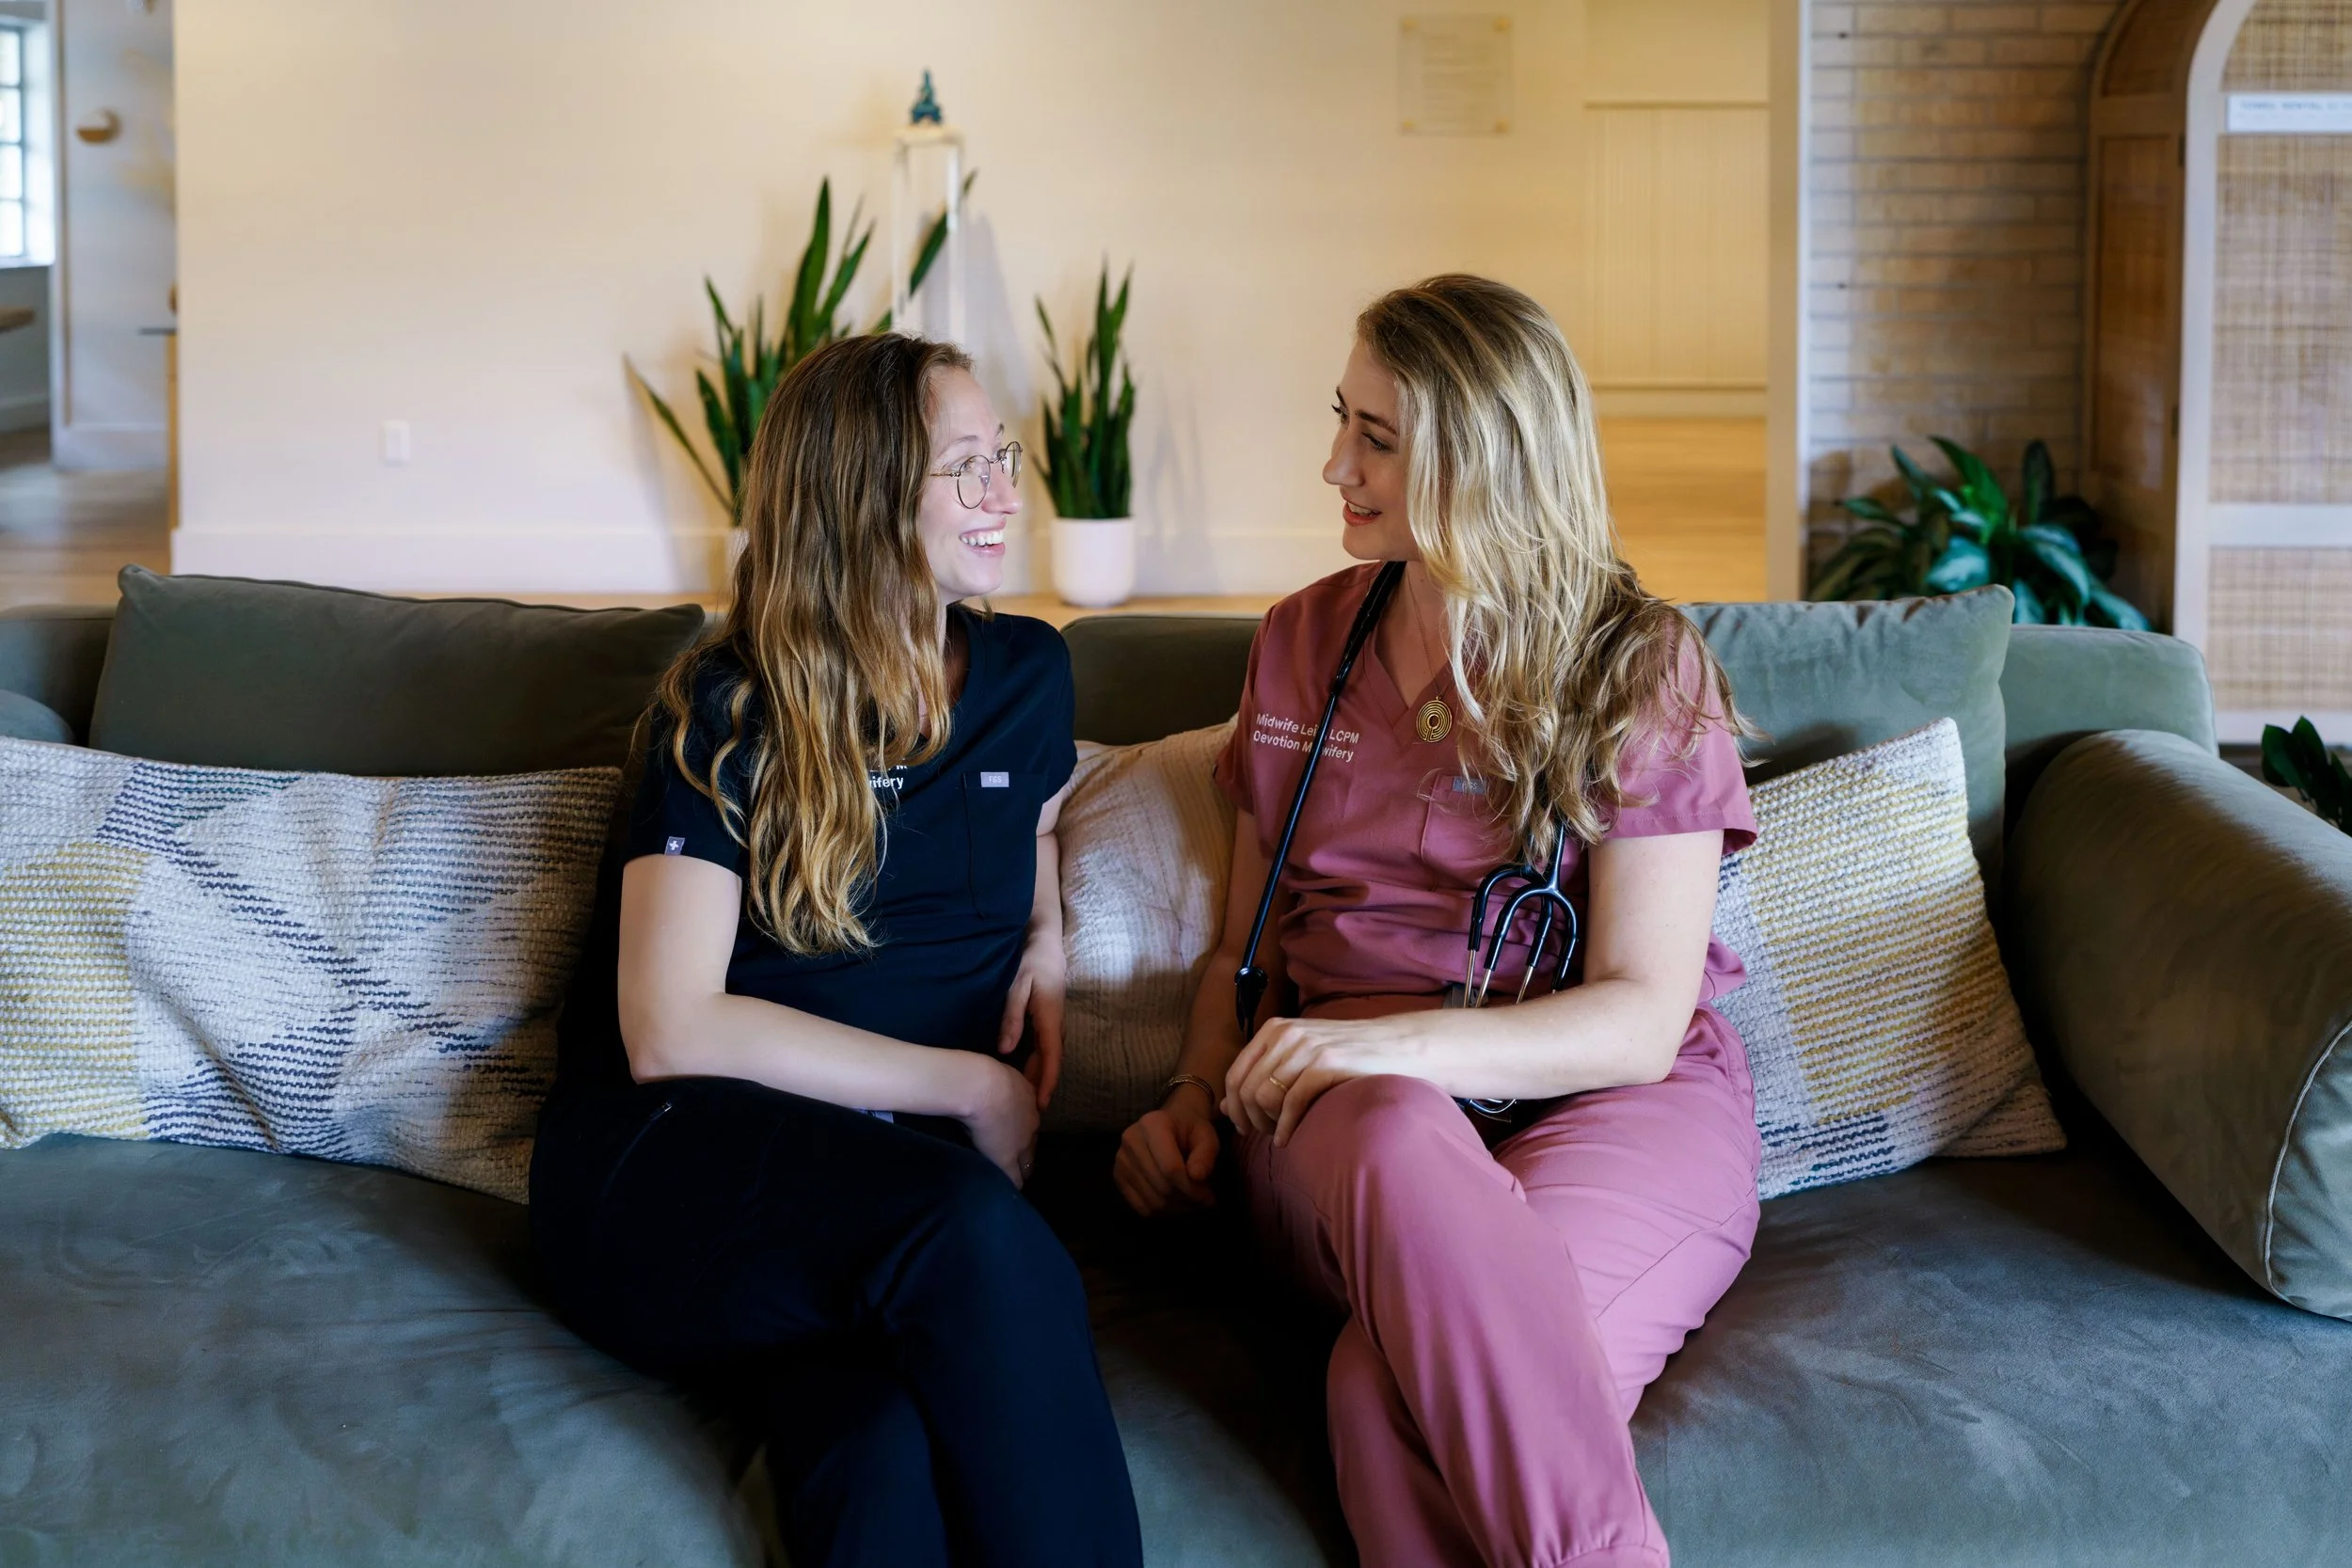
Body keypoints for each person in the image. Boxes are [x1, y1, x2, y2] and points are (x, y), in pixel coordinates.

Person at [1114, 275, 1760, 1568]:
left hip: (1609, 1110)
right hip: (1348, 1128)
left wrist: (1389, 1043)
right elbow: (1243, 951)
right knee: (1397, 1132)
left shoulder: (1638, 666)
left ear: (1485, 463)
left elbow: (1641, 1020)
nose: (1334, 466)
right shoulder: (1302, 644)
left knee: (1383, 1394)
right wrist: (1192, 1088)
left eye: (1378, 439)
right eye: (1341, 420)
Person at [532, 332, 1143, 1568]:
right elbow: (669, 1027)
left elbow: (1023, 820)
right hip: (683, 1165)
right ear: (864, 499)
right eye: (964, 467)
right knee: (970, 1234)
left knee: (874, 1445)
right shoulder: (728, 704)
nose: (1005, 491)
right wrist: (973, 1085)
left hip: (878, 1203)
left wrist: (1047, 935)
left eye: (1004, 456)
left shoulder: (1028, 673)